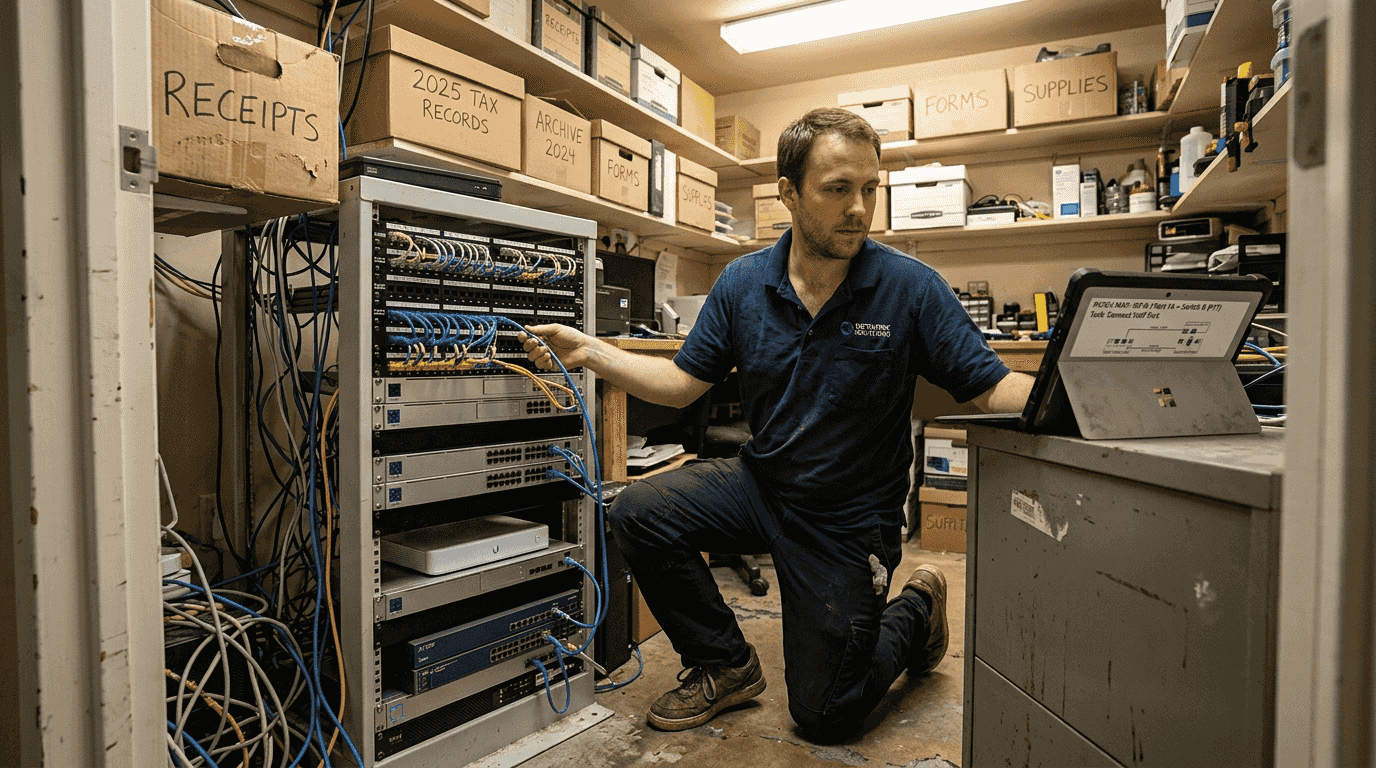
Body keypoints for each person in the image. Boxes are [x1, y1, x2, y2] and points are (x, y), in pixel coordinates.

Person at [520, 107, 1034, 740]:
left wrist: (1075, 395)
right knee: (637, 510)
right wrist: (591, 351)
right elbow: (682, 384)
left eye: (870, 189)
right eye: (838, 189)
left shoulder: (910, 287)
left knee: (825, 715)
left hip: (849, 518)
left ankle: (918, 607)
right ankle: (724, 664)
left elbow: (992, 389)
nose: (860, 209)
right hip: (763, 486)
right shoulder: (742, 283)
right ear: (789, 194)